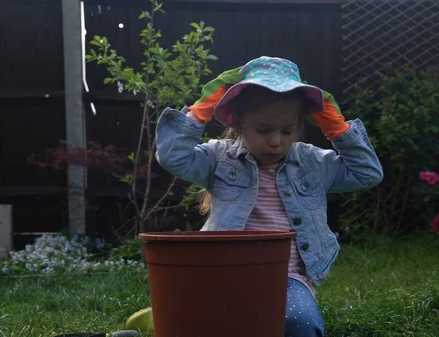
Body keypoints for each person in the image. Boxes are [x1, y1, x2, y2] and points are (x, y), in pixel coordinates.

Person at [125, 56, 383, 337]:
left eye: (287, 131)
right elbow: (173, 156)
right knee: (197, 324)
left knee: (301, 325)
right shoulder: (219, 158)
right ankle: (162, 317)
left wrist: (338, 128)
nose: (275, 141)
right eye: (263, 130)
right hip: (221, 274)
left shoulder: (311, 162)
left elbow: (367, 173)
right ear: (237, 122)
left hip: (287, 280)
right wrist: (202, 110)